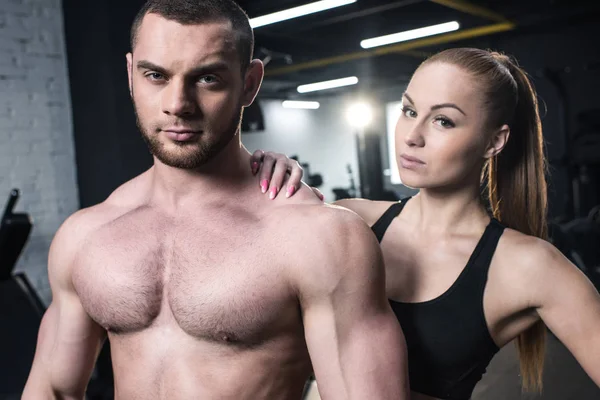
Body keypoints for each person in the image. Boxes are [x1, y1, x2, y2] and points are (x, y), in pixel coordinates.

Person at [21, 1, 410, 399]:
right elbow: (52, 388)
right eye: (155, 75)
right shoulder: (86, 234)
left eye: (207, 78)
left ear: (249, 83)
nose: (177, 104)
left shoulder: (320, 237)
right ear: (130, 73)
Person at [250, 47, 600, 400]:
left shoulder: (527, 265)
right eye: (409, 110)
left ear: (495, 141)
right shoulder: (351, 219)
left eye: (443, 120)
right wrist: (258, 175)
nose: (411, 135)